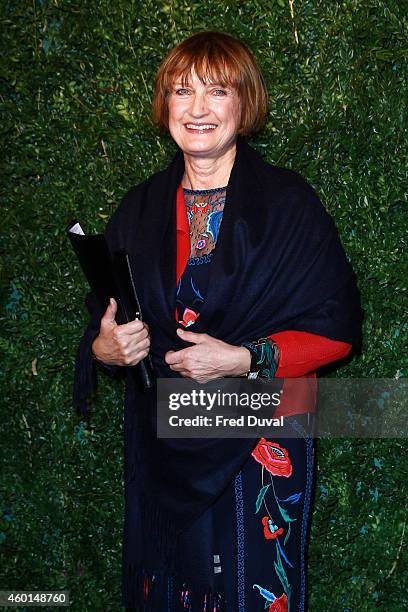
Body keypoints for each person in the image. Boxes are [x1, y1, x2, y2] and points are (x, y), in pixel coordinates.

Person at [73, 31, 362, 612]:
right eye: (182, 91)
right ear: (164, 106)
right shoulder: (139, 207)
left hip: (260, 442)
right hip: (163, 443)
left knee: (248, 590)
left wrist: (244, 358)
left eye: (217, 91)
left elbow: (337, 328)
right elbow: (109, 322)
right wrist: (107, 349)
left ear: (244, 104)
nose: (198, 108)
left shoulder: (288, 205)